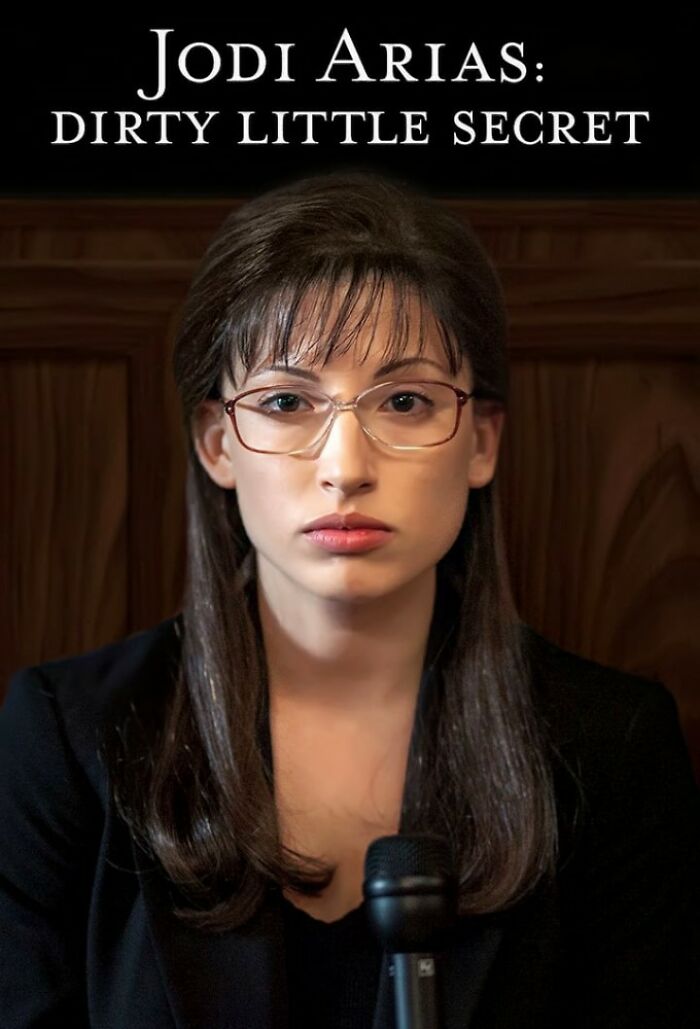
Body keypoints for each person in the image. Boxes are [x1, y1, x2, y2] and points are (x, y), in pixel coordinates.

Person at [1, 170, 699, 1029]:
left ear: (481, 441)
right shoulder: (68, 737)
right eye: (288, 401)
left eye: (403, 400)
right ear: (219, 443)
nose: (346, 465)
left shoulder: (615, 746)